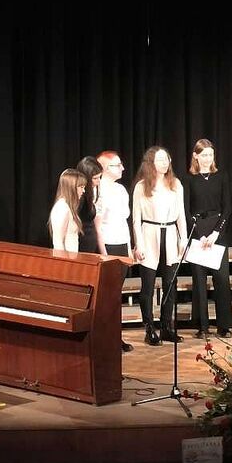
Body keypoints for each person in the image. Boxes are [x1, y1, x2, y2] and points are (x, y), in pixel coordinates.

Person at [132, 146, 187, 346]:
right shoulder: (141, 186)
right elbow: (136, 219)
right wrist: (139, 244)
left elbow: (181, 214)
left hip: (170, 234)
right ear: (151, 163)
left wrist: (183, 239)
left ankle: (166, 327)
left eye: (167, 159)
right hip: (149, 234)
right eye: (160, 160)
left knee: (170, 285)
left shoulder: (176, 184)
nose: (165, 163)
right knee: (147, 287)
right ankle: (149, 328)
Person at [184, 139, 232, 339]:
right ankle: (202, 326)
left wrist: (215, 233)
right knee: (199, 280)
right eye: (203, 155)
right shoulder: (189, 179)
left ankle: (224, 325)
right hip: (198, 232)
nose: (207, 158)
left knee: (222, 279)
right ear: (196, 156)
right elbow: (186, 209)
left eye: (210, 155)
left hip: (217, 232)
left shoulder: (221, 176)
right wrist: (199, 235)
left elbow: (227, 207)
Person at [95, 150, 135, 352]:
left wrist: (129, 248)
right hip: (107, 245)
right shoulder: (98, 190)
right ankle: (105, 339)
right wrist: (103, 252)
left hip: (121, 245)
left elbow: (123, 221)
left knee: (116, 296)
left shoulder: (121, 190)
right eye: (117, 165)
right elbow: (97, 226)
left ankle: (116, 336)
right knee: (107, 297)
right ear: (104, 168)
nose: (122, 168)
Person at [76, 156, 107, 254]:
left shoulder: (90, 194)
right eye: (95, 178)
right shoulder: (79, 196)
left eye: (100, 177)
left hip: (90, 245)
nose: (98, 181)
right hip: (81, 245)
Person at [49, 169, 85, 252]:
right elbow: (58, 241)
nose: (83, 191)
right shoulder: (62, 207)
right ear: (71, 187)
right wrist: (62, 259)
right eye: (81, 187)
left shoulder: (68, 206)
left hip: (72, 256)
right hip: (66, 257)